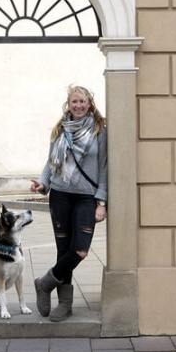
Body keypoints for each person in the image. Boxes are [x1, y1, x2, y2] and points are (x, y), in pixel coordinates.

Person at [29, 85, 107, 322]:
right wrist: (43, 184)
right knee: (63, 251)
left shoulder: (99, 130)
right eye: (74, 101)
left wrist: (102, 201)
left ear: (89, 103)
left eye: (82, 101)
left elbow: (105, 166)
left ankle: (44, 283)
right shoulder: (59, 129)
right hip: (60, 195)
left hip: (86, 197)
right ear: (68, 104)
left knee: (80, 250)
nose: (79, 106)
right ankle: (65, 305)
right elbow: (51, 161)